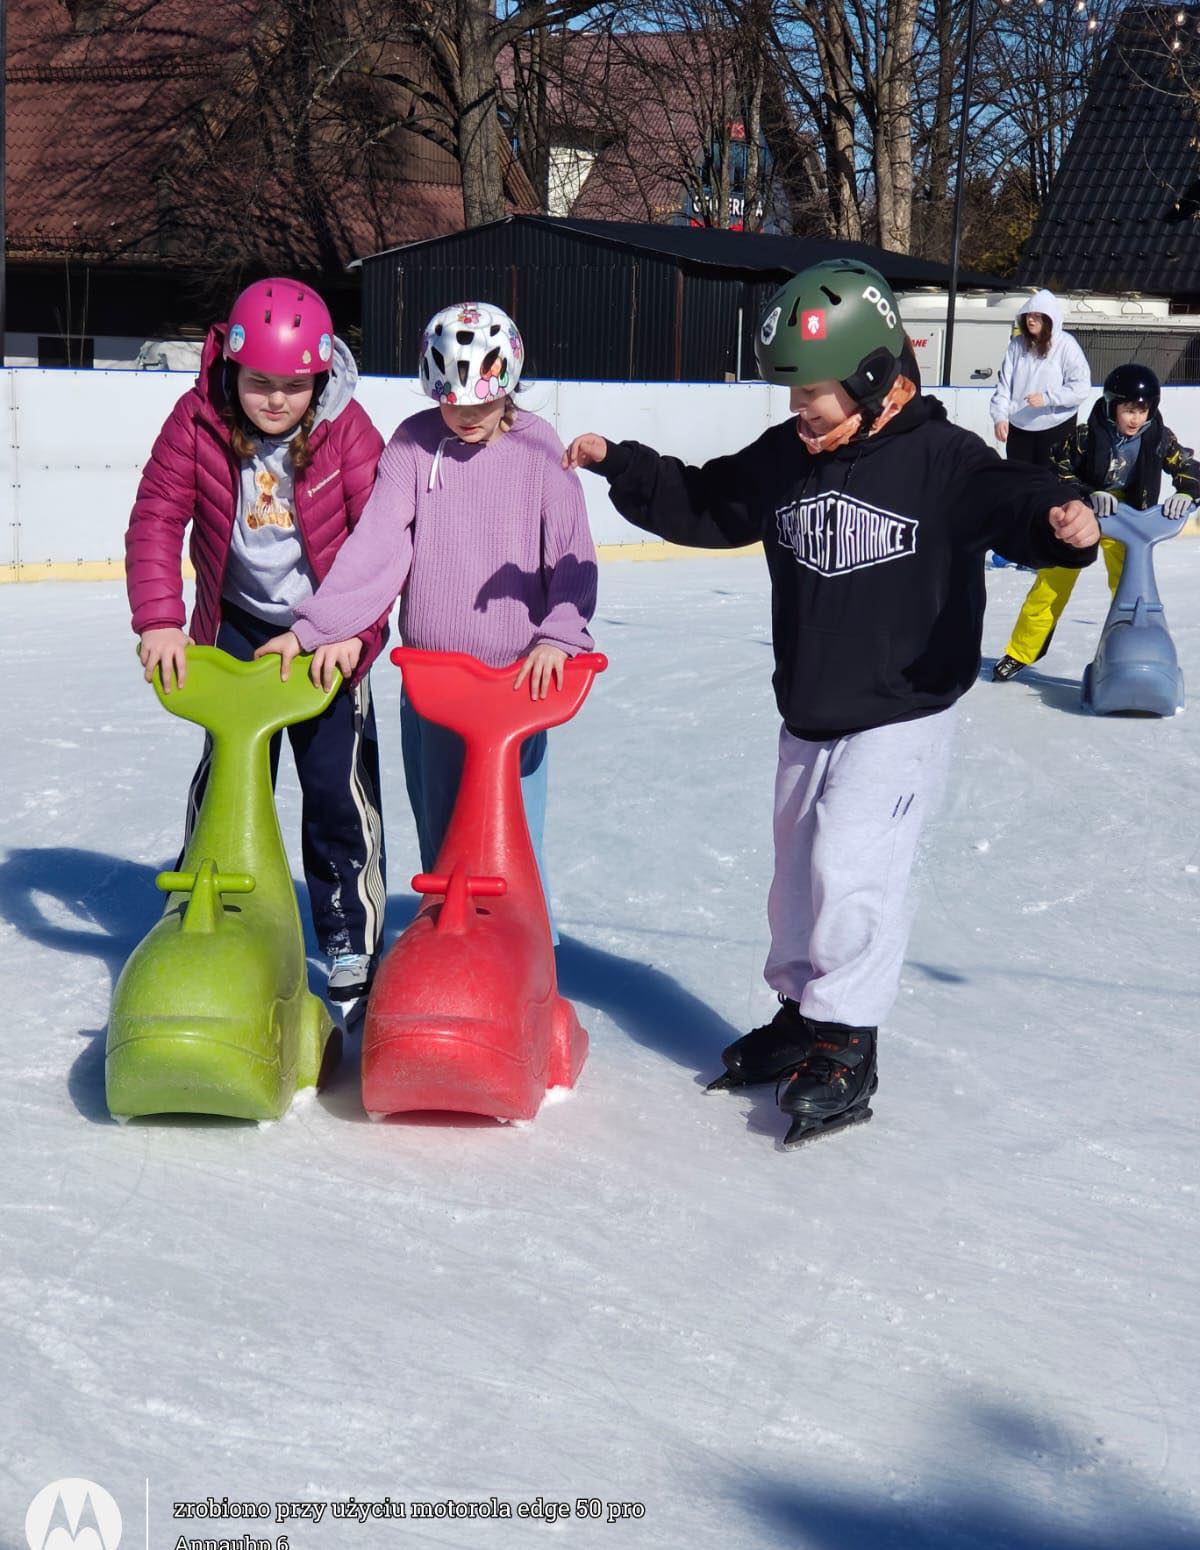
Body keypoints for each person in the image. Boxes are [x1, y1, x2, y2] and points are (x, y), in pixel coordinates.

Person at [563, 259, 1099, 1149]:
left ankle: (848, 1039)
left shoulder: (941, 458)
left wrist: (1062, 517)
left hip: (902, 709)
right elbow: (709, 501)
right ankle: (804, 1013)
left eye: (810, 392)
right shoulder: (788, 457)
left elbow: (1014, 497)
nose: (795, 410)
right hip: (811, 704)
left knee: (854, 865)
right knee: (799, 872)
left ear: (874, 378)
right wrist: (624, 464)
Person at [254, 302, 597, 943]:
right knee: (443, 838)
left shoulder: (539, 449)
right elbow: (378, 547)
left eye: (478, 406)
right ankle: (452, 961)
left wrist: (559, 634)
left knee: (514, 837)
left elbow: (572, 554)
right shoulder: (413, 445)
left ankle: (530, 967)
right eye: (451, 404)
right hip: (434, 685)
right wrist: (316, 628)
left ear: (507, 387)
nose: (463, 417)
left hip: (518, 685)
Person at [125, 277, 388, 1002]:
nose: (275, 401)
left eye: (294, 386)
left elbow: (383, 542)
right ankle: (206, 903)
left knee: (337, 785)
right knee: (231, 774)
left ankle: (346, 929)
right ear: (232, 368)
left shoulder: (350, 430)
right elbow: (156, 516)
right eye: (260, 383)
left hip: (327, 630)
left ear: (320, 375)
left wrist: (350, 632)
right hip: (237, 623)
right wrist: (159, 621)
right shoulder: (197, 419)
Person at [993, 362, 1200, 682]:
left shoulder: (1159, 438)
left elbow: (1188, 467)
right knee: (1050, 586)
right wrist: (1086, 494)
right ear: (1111, 405)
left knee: (1134, 588)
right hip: (1080, 520)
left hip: (1130, 524)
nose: (1136, 418)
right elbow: (1056, 468)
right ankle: (1020, 652)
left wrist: (1188, 492)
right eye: (1128, 410)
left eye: (1142, 411)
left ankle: (1137, 655)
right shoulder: (1086, 437)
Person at [989, 289, 1092, 468]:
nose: (1030, 320)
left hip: (1056, 428)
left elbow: (1081, 387)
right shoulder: (1017, 345)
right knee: (1020, 484)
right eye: (1029, 315)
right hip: (1019, 427)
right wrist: (1000, 416)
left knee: (1050, 485)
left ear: (1049, 319)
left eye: (1037, 316)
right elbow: (1005, 385)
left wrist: (1047, 398)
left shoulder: (1066, 345)